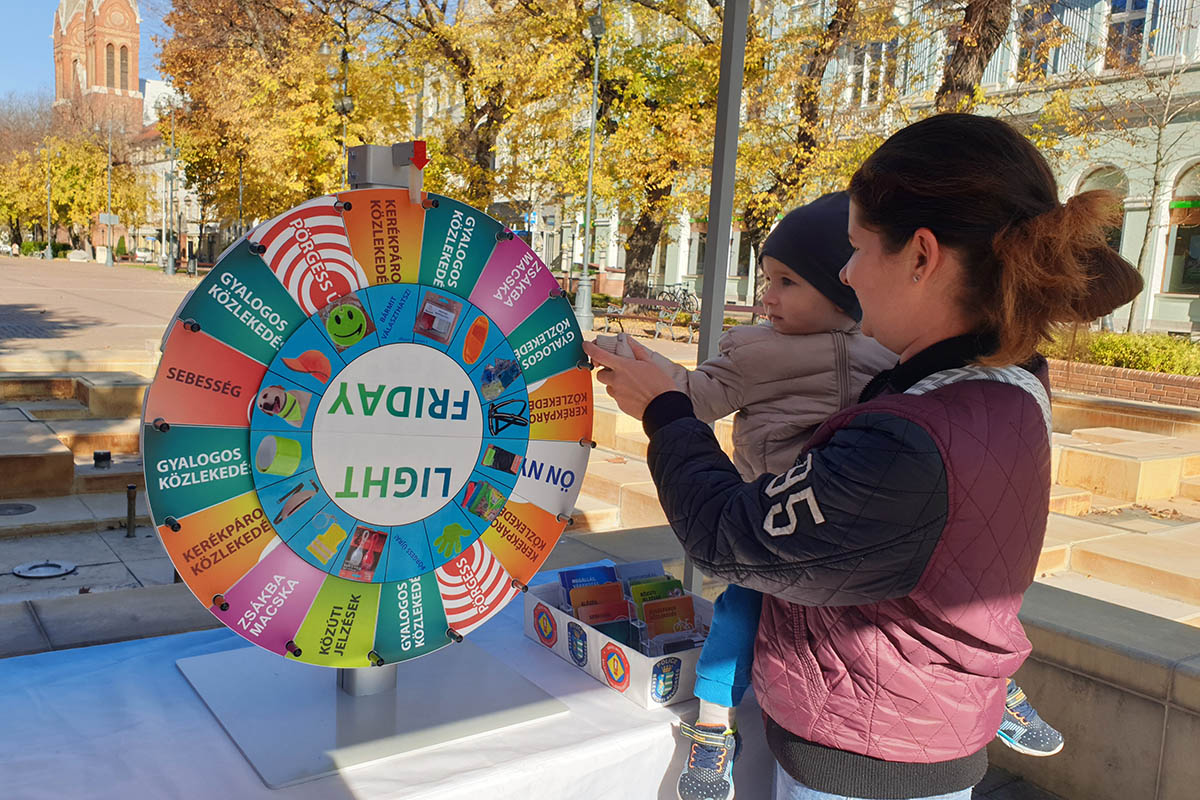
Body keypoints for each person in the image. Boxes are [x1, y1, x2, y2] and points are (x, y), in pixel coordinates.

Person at [584, 113, 1142, 800]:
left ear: (920, 256)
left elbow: (731, 540)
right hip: (908, 735)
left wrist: (664, 412)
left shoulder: (911, 438)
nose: (846, 272)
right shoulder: (1007, 376)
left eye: (855, 248)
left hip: (867, 764)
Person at [600, 192, 895, 800]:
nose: (768, 296)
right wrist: (643, 364)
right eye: (767, 280)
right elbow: (695, 395)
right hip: (776, 515)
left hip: (852, 519)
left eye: (787, 282)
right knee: (739, 611)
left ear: (843, 287)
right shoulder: (754, 349)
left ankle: (1000, 693)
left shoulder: (888, 354)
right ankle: (713, 727)